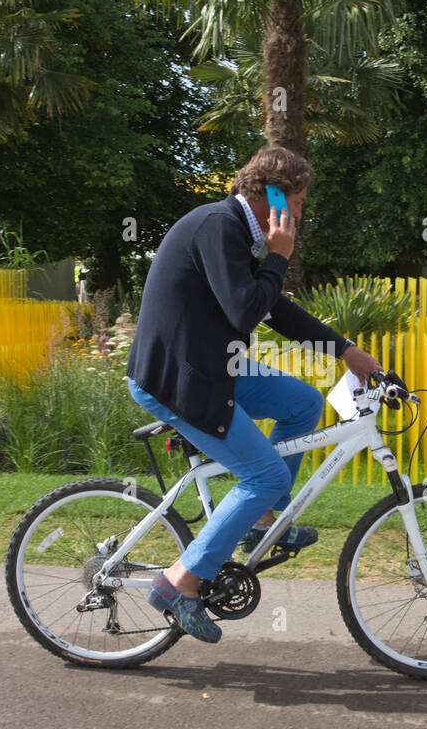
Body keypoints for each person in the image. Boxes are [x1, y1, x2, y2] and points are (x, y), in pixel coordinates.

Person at [125, 146, 382, 643]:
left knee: (303, 403)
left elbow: (274, 311)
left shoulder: (237, 234)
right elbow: (245, 310)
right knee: (261, 473)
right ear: (271, 197)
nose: (302, 214)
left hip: (210, 366)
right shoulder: (218, 228)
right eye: (299, 202)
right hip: (176, 378)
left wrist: (345, 351)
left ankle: (263, 522)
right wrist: (280, 256)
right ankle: (180, 582)